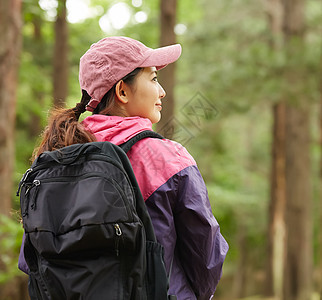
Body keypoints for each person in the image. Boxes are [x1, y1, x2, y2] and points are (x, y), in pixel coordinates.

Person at [18, 36, 229, 299]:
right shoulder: (168, 158)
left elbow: (30, 261)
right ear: (122, 91)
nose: (161, 90)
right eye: (153, 78)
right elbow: (207, 255)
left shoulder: (57, 158)